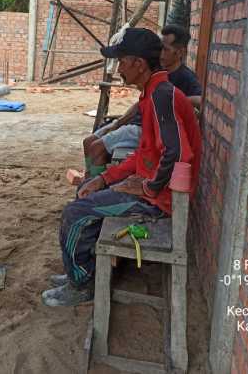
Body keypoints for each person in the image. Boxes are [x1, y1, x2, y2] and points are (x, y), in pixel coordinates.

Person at [42, 28, 201, 306]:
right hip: (156, 190)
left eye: (122, 62)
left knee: (75, 213)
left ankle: (81, 284)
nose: (118, 69)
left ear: (139, 64)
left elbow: (178, 153)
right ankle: (82, 269)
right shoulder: (154, 93)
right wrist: (104, 179)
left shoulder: (162, 96)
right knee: (85, 191)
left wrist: (148, 187)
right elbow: (144, 156)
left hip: (162, 201)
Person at [82, 23, 202, 177]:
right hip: (142, 132)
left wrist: (147, 187)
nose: (161, 54)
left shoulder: (169, 89)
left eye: (165, 49)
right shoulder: (155, 85)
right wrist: (118, 123)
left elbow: (175, 154)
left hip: (157, 186)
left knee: (96, 147)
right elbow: (141, 106)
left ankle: (92, 181)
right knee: (90, 142)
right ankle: (90, 177)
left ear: (180, 53)